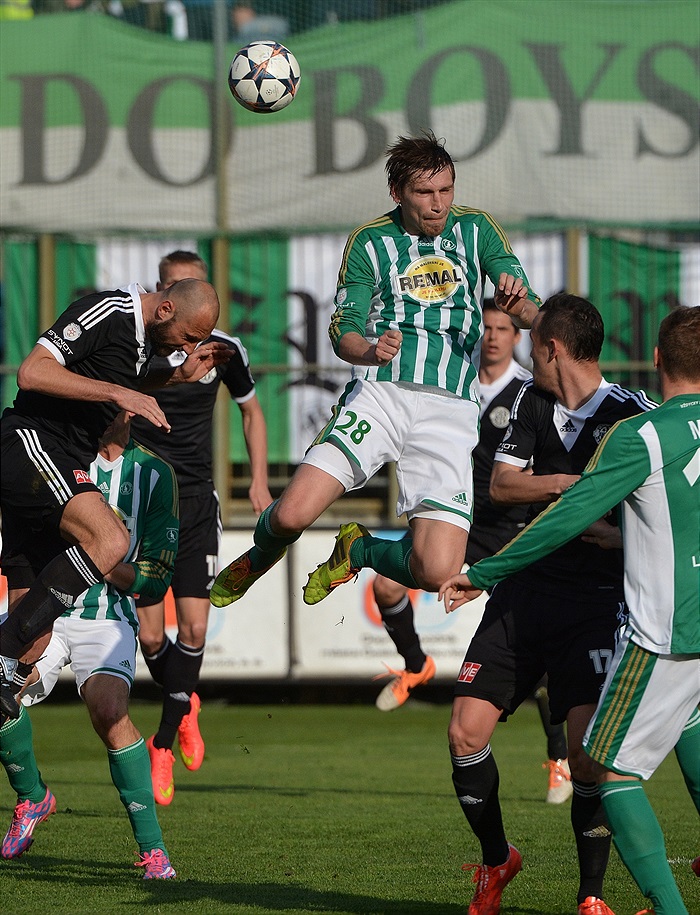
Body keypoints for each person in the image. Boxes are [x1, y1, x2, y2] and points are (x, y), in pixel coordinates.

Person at [209, 131, 541, 614]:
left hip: (449, 410)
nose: (438, 204)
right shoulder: (370, 241)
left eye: (446, 190)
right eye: (424, 193)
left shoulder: (478, 230)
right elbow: (343, 330)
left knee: (437, 572)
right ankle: (261, 554)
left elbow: (531, 313)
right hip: (380, 395)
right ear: (397, 193)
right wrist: (369, 349)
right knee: (292, 515)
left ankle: (359, 549)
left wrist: (520, 304)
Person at [440, 305, 700, 915]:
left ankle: (617, 899)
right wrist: (601, 516)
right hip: (532, 599)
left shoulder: (639, 426)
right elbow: (504, 486)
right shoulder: (531, 402)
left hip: (633, 618)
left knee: (603, 765)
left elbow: (575, 517)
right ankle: (497, 858)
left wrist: (485, 569)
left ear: (658, 360)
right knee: (468, 732)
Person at [370, 300, 572, 801]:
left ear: (519, 336)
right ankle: (416, 664)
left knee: (539, 660)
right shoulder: (452, 383)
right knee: (386, 584)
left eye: (504, 328)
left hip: (509, 531)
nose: (494, 336)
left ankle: (558, 757)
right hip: (458, 521)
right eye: (486, 327)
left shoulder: (528, 392)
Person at [0, 278, 227, 724]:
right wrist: (119, 392)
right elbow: (33, 371)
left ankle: (10, 685)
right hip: (32, 444)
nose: (188, 347)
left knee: (36, 639)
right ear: (164, 311)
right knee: (110, 539)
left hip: (58, 463)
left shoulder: (145, 347)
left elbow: (121, 383)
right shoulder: (110, 311)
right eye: (188, 337)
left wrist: (176, 376)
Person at [0, 411, 178, 878]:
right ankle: (33, 797)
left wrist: (103, 558)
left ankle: (153, 851)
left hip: (107, 617)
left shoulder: (155, 474)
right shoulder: (52, 458)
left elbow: (156, 580)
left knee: (108, 711)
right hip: (45, 608)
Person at [130, 250, 273, 806]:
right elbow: (121, 402)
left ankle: (162, 742)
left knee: (193, 629)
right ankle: (183, 699)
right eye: (174, 291)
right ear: (162, 297)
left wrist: (257, 481)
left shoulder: (224, 351)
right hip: (144, 502)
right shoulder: (141, 349)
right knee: (148, 634)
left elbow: (252, 411)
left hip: (195, 501)